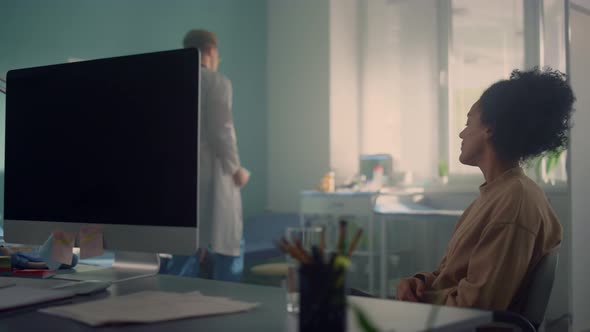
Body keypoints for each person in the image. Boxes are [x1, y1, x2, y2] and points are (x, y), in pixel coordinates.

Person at [396, 68, 575, 311]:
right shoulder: (498, 194)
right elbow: (451, 275)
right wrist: (419, 282)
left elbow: (478, 304)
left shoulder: (515, 201)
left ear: (489, 129)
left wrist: (416, 303)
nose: (462, 133)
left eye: (469, 122)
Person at [160, 29, 250, 282]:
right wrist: (236, 170)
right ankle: (228, 307)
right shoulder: (216, 82)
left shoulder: (170, 83)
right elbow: (222, 131)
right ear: (211, 51)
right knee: (228, 249)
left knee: (183, 250)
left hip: (179, 179)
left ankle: (171, 305)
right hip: (213, 178)